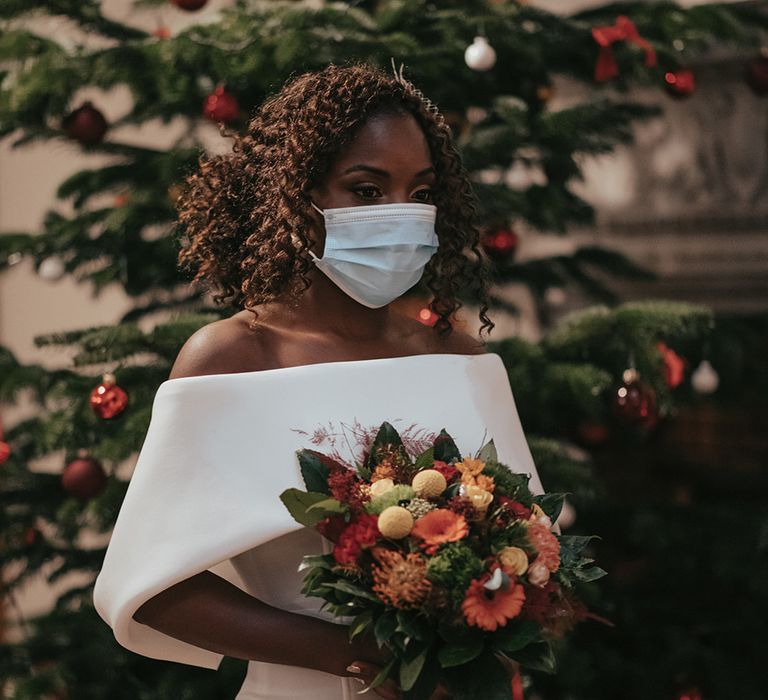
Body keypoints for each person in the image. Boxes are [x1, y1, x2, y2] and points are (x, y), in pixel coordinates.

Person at [94, 60, 540, 700]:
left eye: (420, 193)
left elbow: (535, 549)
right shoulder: (233, 358)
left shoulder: (462, 359)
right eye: (366, 190)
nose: (401, 215)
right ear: (297, 197)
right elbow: (154, 587)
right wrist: (359, 655)